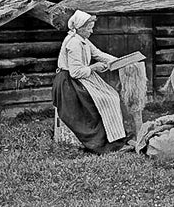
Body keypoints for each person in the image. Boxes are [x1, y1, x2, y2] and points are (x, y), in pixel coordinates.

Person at [52, 10, 128, 153]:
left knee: (112, 95)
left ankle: (113, 135)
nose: (92, 31)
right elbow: (75, 72)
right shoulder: (74, 43)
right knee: (104, 99)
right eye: (89, 28)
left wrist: (119, 61)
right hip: (68, 83)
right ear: (80, 28)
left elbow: (98, 54)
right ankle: (101, 140)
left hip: (80, 79)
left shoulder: (83, 40)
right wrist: (94, 67)